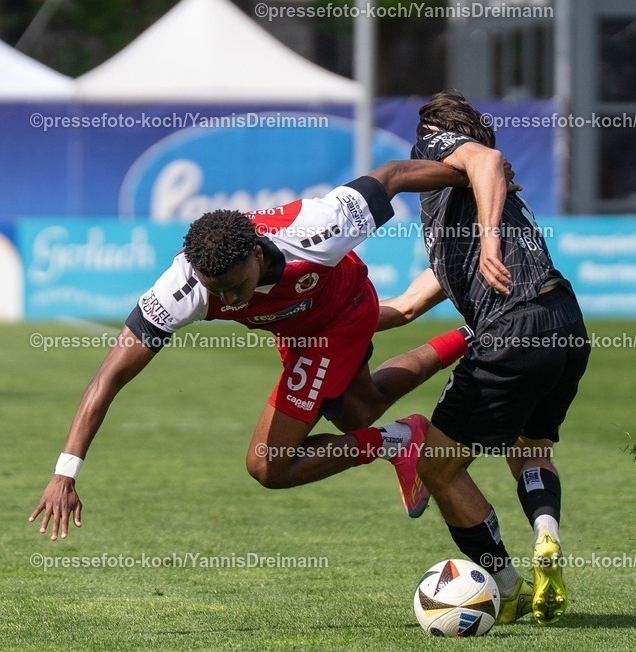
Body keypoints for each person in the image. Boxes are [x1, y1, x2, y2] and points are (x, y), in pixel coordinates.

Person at [29, 159, 490, 541]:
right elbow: (107, 377)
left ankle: (402, 440)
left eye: (235, 288)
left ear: (255, 254)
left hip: (340, 315)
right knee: (358, 411)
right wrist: (65, 471)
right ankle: (466, 345)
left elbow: (393, 177)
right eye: (218, 293)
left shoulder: (316, 229)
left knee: (269, 465)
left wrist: (471, 176)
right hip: (297, 326)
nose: (229, 302)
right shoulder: (183, 287)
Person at [381, 91, 591, 626]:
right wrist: (318, 319)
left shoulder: (436, 145)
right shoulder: (455, 223)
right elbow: (404, 307)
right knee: (532, 444)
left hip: (514, 328)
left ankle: (506, 584)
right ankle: (546, 533)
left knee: (437, 466)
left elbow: (486, 161)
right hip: (564, 322)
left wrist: (491, 240)